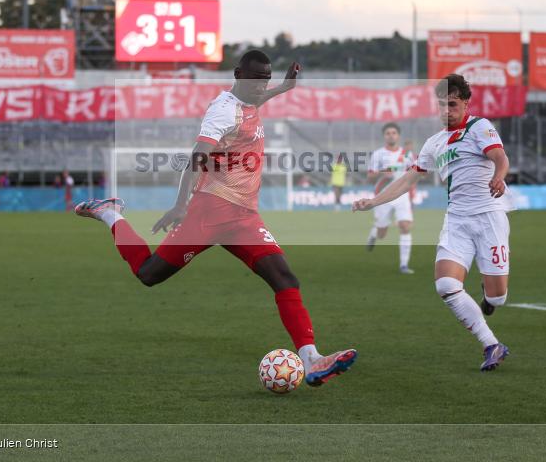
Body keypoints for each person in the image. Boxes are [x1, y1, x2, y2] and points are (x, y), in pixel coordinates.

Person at [74, 50, 357, 386]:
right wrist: (180, 206)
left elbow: (256, 100)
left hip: (244, 218)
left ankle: (311, 360)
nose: (259, 85)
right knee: (149, 274)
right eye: (255, 78)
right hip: (208, 213)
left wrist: (283, 87)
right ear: (238, 74)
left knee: (284, 278)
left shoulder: (248, 99)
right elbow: (196, 157)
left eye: (265, 78)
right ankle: (110, 213)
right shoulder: (222, 112)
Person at [353, 74, 512, 371]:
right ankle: (491, 344)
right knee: (446, 285)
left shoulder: (480, 127)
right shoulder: (434, 143)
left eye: (452, 104)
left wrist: (499, 177)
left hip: (489, 217)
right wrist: (373, 202)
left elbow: (500, 158)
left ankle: (490, 297)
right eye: (441, 105)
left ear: (465, 103)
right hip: (457, 221)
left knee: (497, 297)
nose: (446, 111)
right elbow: (407, 180)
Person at [365, 122, 415, 274]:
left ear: (398, 135)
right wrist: (381, 173)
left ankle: (404, 265)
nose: (391, 135)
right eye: (388, 133)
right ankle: (374, 233)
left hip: (401, 195)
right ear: (384, 136)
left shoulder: (407, 154)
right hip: (383, 197)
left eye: (394, 133)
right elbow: (369, 178)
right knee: (382, 233)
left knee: (405, 226)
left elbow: (414, 174)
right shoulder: (378, 154)